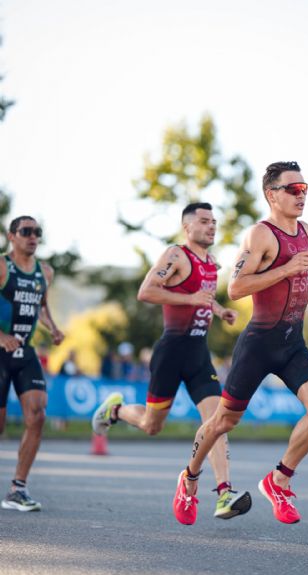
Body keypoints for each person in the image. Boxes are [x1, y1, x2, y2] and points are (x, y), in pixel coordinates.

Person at [173, 162, 308, 526]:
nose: (301, 195)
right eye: (292, 189)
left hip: (293, 342)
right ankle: (190, 479)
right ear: (271, 194)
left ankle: (279, 482)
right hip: (259, 345)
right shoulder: (260, 236)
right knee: (222, 422)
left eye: (304, 188)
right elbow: (236, 288)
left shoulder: (307, 231)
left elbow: (289, 285)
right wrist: (288, 270)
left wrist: (306, 291)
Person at [92, 203, 251, 522]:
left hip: (198, 354)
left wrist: (221, 312)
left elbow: (204, 295)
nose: (211, 227)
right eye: (204, 221)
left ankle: (223, 493)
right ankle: (116, 410)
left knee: (218, 422)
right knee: (153, 425)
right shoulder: (176, 256)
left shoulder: (211, 263)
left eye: (214, 222)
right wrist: (190, 299)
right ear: (187, 227)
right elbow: (146, 291)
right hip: (170, 352)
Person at [0, 216, 64, 511]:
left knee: (37, 415)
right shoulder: (3, 267)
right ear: (11, 236)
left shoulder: (45, 272)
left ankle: (18, 489)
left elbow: (40, 306)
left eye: (38, 232)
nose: (33, 237)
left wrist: (52, 327)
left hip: (25, 352)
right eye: (26, 232)